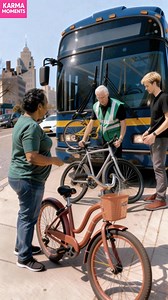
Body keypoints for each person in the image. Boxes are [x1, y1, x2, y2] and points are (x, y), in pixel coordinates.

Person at [8, 88, 63, 272]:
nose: (47, 107)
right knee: (28, 218)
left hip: (20, 177)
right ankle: (24, 258)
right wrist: (53, 161)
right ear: (39, 106)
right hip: (28, 180)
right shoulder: (30, 126)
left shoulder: (23, 120)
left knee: (24, 215)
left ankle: (21, 247)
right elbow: (32, 157)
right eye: (45, 104)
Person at [141, 72, 168, 211]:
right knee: (156, 166)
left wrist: (155, 134)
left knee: (159, 167)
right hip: (155, 137)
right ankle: (159, 192)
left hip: (161, 138)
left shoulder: (164, 98)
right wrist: (148, 132)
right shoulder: (154, 99)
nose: (146, 88)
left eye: (147, 85)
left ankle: (161, 199)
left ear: (154, 83)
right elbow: (157, 121)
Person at [78, 85, 126, 158]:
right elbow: (91, 124)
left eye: (103, 97)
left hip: (115, 138)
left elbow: (123, 125)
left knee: (117, 162)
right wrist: (84, 139)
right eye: (98, 97)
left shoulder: (117, 105)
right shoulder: (95, 106)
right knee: (106, 162)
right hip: (105, 138)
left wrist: (120, 140)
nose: (101, 100)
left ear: (107, 94)